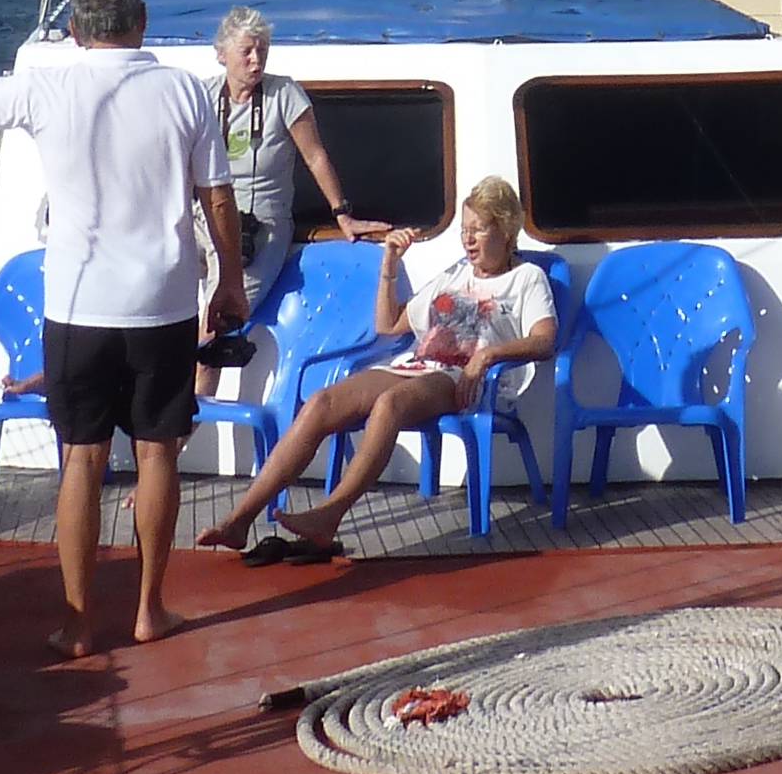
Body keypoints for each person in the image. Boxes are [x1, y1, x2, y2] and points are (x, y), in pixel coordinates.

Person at [0, 0, 246, 659]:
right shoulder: (184, 90)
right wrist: (229, 283)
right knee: (157, 455)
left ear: (76, 32)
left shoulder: (46, 85)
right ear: (141, 24)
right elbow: (219, 199)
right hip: (165, 303)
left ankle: (79, 624)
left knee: (81, 457)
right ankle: (150, 609)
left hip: (80, 307)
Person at [197, 175, 555, 560]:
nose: (467, 240)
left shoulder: (526, 278)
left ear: (505, 230)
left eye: (478, 230)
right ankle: (240, 519)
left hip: (467, 380)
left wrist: (488, 356)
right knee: (321, 403)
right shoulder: (454, 273)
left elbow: (545, 339)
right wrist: (389, 263)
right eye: (464, 229)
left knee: (390, 404)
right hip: (417, 365)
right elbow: (389, 325)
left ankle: (328, 516)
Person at [209, 5, 379, 316]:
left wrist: (342, 214)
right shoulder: (205, 95)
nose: (256, 60)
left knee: (219, 320)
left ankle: (198, 359)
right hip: (206, 219)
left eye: (263, 50)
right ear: (221, 54)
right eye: (246, 51)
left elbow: (315, 157)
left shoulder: (284, 93)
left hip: (259, 225)